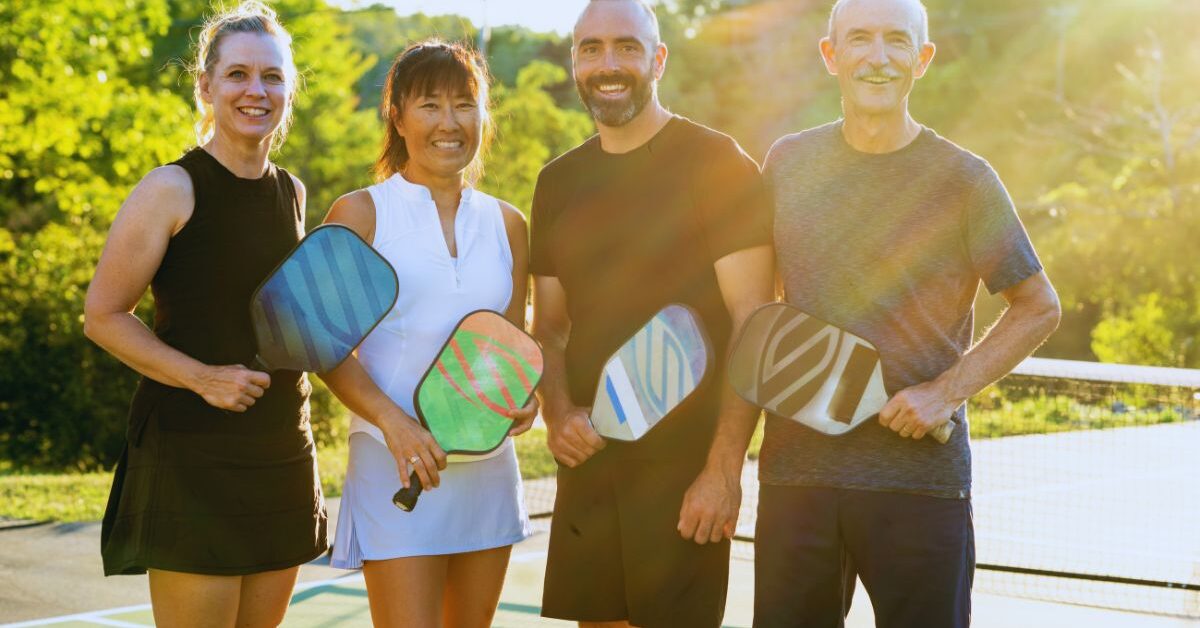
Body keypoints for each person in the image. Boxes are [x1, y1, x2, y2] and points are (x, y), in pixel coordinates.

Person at [733, 0, 1064, 626]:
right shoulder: (788, 163)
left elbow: (1038, 307)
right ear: (831, 55)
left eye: (896, 40)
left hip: (920, 485)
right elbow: (761, 311)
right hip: (797, 477)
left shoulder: (965, 179)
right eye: (858, 39)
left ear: (923, 57)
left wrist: (945, 393)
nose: (877, 57)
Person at [529, 1, 775, 626]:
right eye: (591, 49)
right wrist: (559, 416)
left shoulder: (718, 164)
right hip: (590, 466)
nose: (608, 64)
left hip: (684, 475)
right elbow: (550, 329)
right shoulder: (558, 181)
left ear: (658, 58)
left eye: (627, 47)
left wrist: (722, 471)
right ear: (575, 62)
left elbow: (754, 320)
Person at [84, 2, 325, 625]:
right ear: (206, 86)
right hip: (194, 457)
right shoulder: (170, 189)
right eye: (238, 74)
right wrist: (203, 377)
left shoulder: (292, 193)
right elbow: (104, 316)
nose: (256, 90)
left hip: (281, 452)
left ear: (289, 90)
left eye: (272, 77)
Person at [319, 40, 538, 628]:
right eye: (430, 105)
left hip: (488, 472)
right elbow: (323, 346)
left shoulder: (508, 224)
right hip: (396, 468)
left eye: (465, 105)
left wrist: (525, 400)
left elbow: (511, 344)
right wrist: (396, 426)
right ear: (396, 114)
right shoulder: (360, 214)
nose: (449, 123)